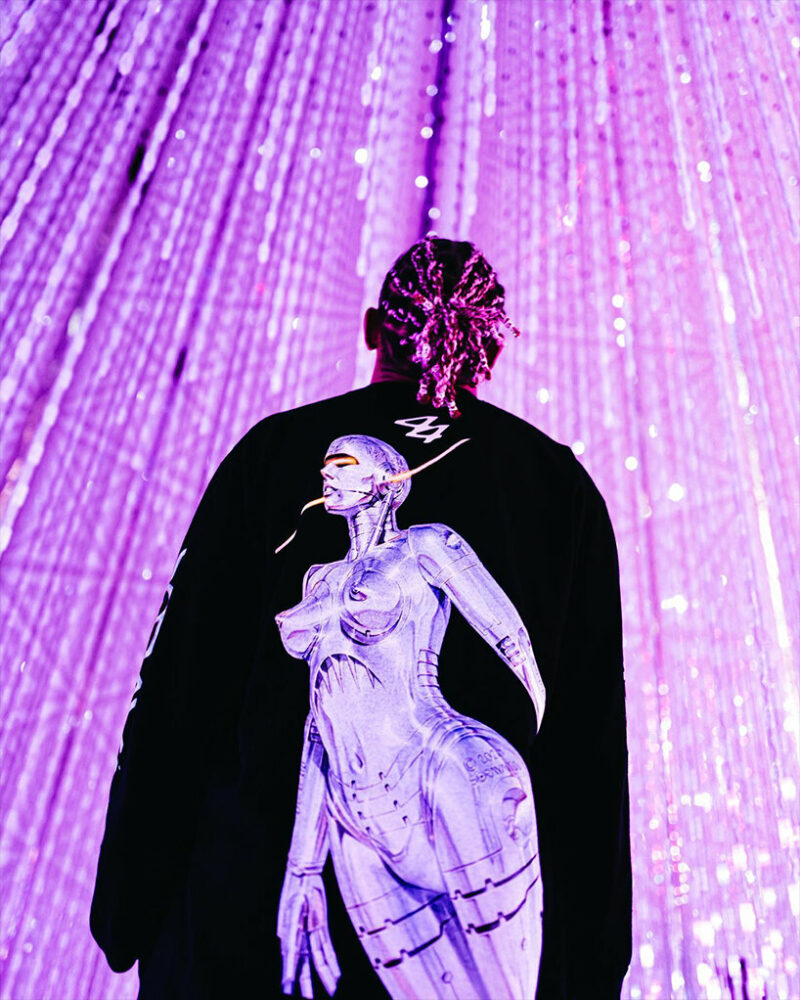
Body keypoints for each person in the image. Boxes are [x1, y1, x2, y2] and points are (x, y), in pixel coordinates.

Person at [91, 236, 632, 1000]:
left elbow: (177, 692)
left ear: (375, 328)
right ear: (491, 351)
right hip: (353, 833)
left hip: (242, 933)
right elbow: (590, 759)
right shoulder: (559, 492)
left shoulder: (269, 456)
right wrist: (594, 971)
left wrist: (126, 907)